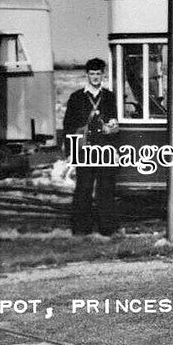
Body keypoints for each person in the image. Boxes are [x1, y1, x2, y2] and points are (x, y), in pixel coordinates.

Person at [62, 58, 120, 237]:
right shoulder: (76, 97)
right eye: (92, 74)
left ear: (103, 74)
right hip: (84, 151)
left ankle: (106, 230)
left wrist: (113, 131)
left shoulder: (110, 97)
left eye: (98, 73)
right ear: (86, 75)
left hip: (105, 150)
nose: (95, 77)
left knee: (106, 189)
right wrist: (71, 153)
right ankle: (81, 229)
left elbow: (116, 124)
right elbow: (68, 126)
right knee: (83, 189)